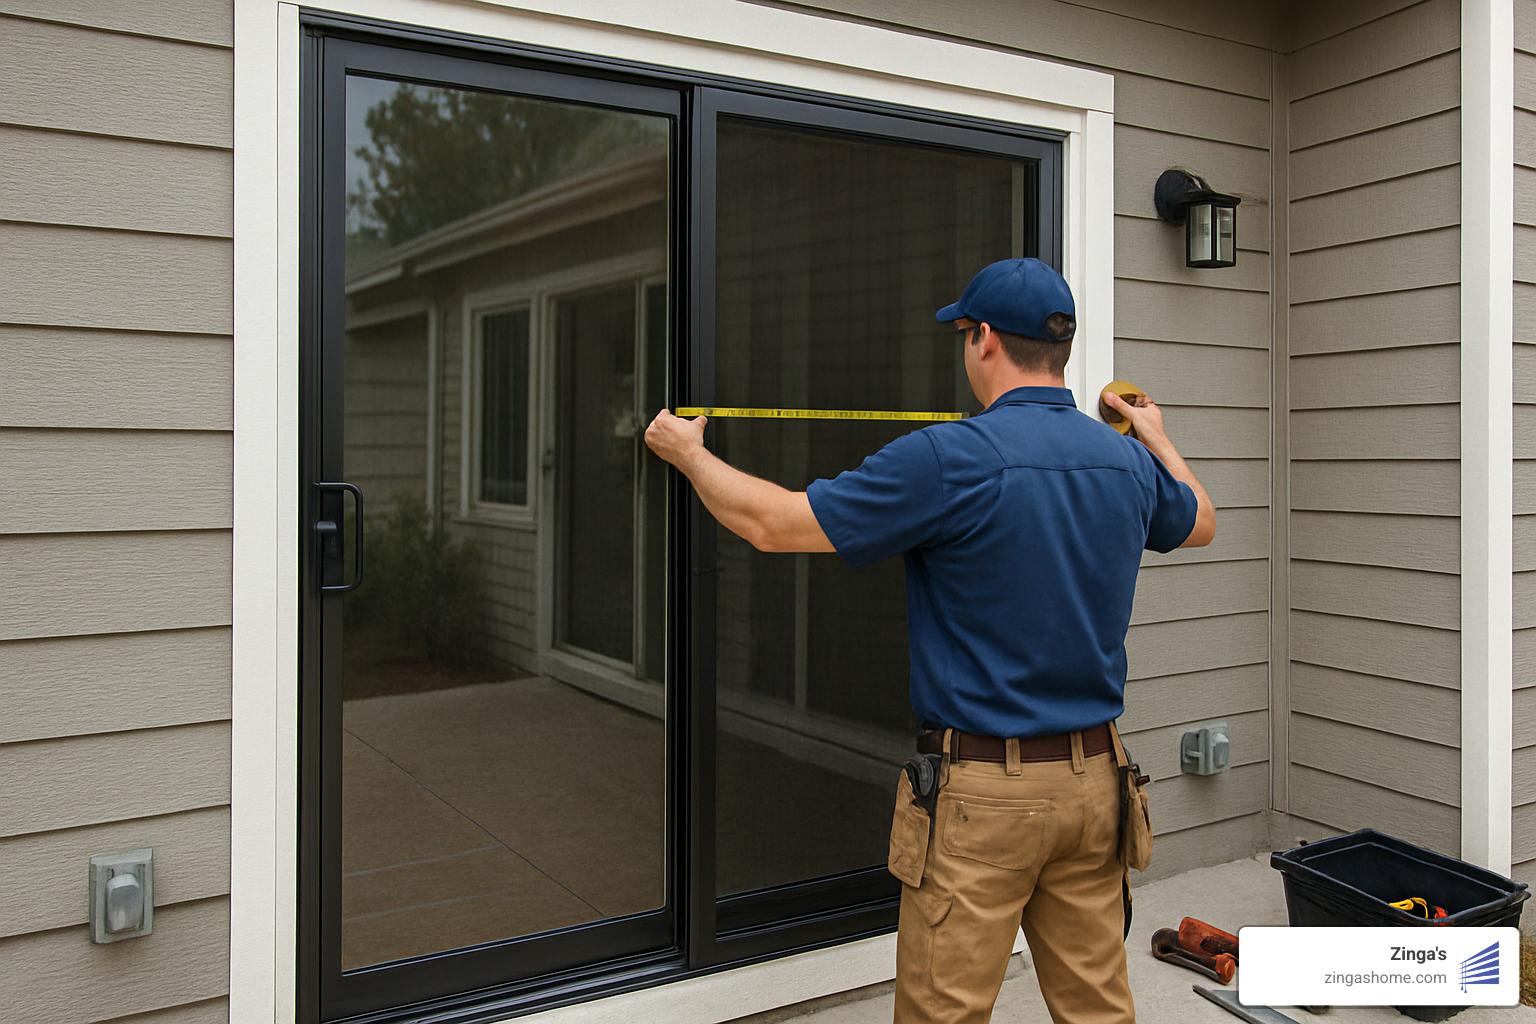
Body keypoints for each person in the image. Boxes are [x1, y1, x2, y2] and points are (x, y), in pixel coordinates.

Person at [643, 257, 1216, 1024]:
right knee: (1098, 1013)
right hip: (1096, 786)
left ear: (983, 340)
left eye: (965, 334)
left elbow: (773, 524)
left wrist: (688, 454)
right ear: (1061, 350)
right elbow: (1202, 520)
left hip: (987, 800)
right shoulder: (1125, 463)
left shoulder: (950, 458)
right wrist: (1154, 436)